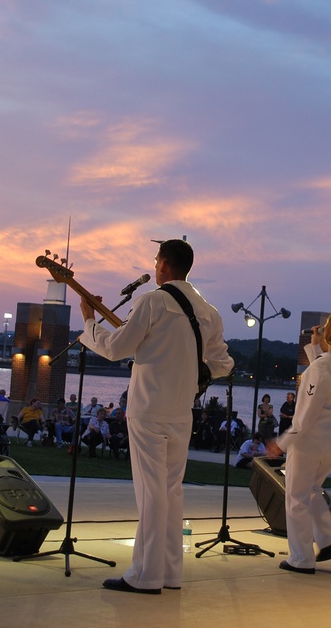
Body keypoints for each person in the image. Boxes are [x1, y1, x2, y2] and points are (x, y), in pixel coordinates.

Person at [79, 238, 233, 593]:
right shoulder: (208, 311)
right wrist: (194, 371)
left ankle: (146, 576)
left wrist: (89, 323)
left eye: (155, 260)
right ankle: (169, 573)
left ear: (163, 264)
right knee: (170, 491)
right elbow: (224, 364)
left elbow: (117, 348)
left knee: (151, 492)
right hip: (182, 412)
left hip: (148, 410)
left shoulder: (152, 301)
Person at [265, 310, 331, 573]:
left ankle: (301, 558)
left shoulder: (318, 371)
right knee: (312, 489)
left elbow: (304, 417)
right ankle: (328, 539)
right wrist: (315, 345)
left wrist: (282, 442)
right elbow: (330, 367)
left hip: (309, 443)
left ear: (329, 333)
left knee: (296, 497)